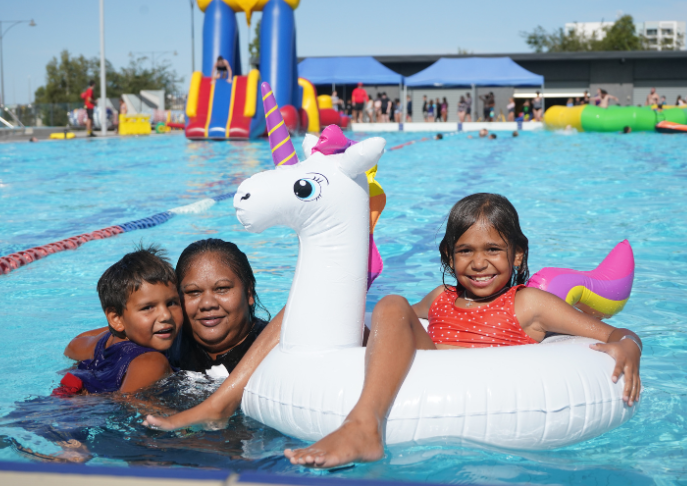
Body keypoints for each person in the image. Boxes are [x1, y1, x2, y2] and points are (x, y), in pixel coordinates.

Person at [146, 194, 643, 469]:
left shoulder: (529, 303)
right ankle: (222, 400)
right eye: (465, 251)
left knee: (388, 304)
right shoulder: (441, 300)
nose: (480, 262)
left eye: (494, 250)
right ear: (449, 258)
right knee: (341, 307)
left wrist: (630, 348)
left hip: (486, 397)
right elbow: (391, 324)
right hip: (432, 377)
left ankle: (363, 426)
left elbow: (614, 333)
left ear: (516, 256)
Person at [52, 246, 181, 397]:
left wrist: (124, 324)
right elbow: (132, 407)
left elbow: (73, 346)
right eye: (148, 308)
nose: (166, 315)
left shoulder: (102, 343)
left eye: (172, 303)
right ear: (115, 319)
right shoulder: (152, 361)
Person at [164, 238, 283, 375]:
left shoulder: (278, 352)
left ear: (249, 293)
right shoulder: (167, 344)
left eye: (222, 288)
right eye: (193, 292)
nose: (207, 304)